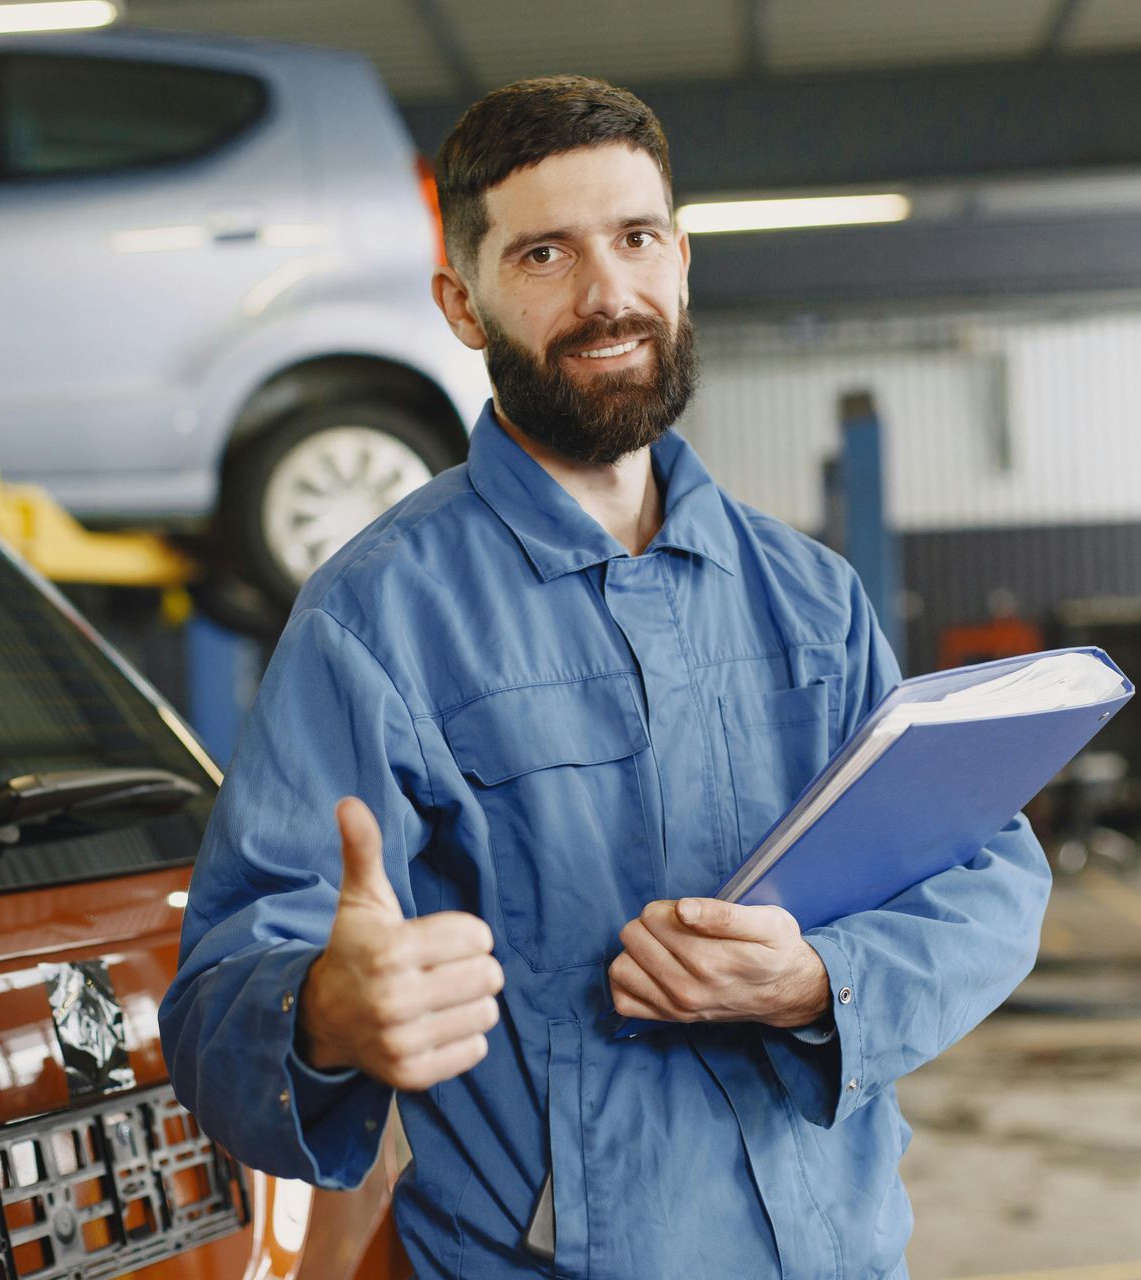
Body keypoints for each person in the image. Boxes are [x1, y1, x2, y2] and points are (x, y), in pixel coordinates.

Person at [158, 75, 1051, 1279]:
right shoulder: (376, 621)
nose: (607, 295)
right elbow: (220, 998)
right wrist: (323, 1010)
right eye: (543, 255)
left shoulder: (811, 598)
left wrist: (819, 980)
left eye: (635, 239)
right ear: (461, 306)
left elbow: (987, 873)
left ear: (681, 260)